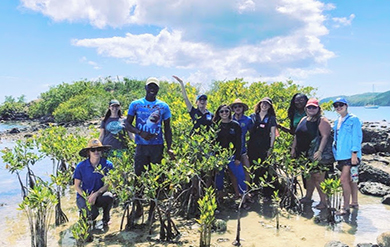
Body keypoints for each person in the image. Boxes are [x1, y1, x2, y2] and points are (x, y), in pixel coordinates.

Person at [125, 77, 175, 220]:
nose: (152, 88)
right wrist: (140, 133)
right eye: (150, 86)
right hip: (141, 147)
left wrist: (169, 148)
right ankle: (139, 208)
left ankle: (153, 210)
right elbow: (127, 124)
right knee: (138, 178)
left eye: (155, 86)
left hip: (157, 147)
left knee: (157, 179)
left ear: (158, 89)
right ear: (145, 88)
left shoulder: (164, 106)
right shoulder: (136, 104)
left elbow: (167, 129)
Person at [291, 98, 332, 209]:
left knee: (319, 177)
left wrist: (319, 151)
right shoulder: (304, 119)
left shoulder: (322, 120)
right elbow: (297, 135)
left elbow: (325, 137)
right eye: (309, 107)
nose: (311, 109)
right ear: (306, 108)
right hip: (304, 154)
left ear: (318, 108)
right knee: (308, 176)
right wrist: (293, 149)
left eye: (314, 107)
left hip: (316, 154)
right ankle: (308, 197)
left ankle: (324, 202)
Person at [74, 138, 113, 229]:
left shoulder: (108, 165)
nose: (96, 152)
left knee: (109, 197)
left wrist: (96, 194)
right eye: (93, 150)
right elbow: (77, 186)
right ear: (88, 152)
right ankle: (84, 216)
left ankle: (106, 219)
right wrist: (86, 196)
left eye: (98, 149)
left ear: (102, 151)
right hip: (83, 196)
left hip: (99, 194)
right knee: (92, 215)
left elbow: (108, 184)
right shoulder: (81, 166)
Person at [332, 97, 362, 215]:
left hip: (351, 154)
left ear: (346, 105)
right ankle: (354, 202)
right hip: (341, 154)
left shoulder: (354, 119)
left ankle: (345, 207)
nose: (339, 107)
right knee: (351, 180)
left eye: (341, 104)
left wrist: (354, 153)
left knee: (343, 179)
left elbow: (357, 136)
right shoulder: (337, 121)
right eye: (336, 105)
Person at [213, 104, 247, 204]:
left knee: (240, 175)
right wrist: (215, 157)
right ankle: (220, 197)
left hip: (232, 156)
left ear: (229, 112)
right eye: (222, 111)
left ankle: (243, 197)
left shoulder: (235, 125)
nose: (224, 113)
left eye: (226, 111)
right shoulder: (215, 125)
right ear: (218, 113)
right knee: (219, 177)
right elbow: (212, 142)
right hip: (219, 156)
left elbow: (239, 143)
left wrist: (238, 157)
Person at [247, 97, 277, 201]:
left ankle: (266, 194)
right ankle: (253, 191)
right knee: (253, 168)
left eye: (267, 104)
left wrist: (270, 148)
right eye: (263, 103)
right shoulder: (252, 116)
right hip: (252, 146)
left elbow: (273, 133)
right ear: (259, 104)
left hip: (264, 146)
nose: (264, 105)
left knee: (265, 169)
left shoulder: (271, 118)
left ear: (270, 106)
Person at [230, 99, 253, 189]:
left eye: (239, 106)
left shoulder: (248, 120)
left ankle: (246, 192)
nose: (237, 108)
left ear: (243, 108)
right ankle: (237, 192)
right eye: (235, 107)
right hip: (231, 151)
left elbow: (252, 133)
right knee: (232, 172)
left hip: (243, 149)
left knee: (247, 171)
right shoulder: (229, 119)